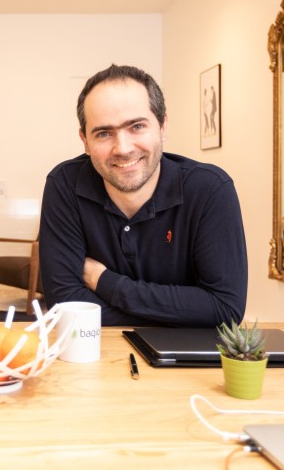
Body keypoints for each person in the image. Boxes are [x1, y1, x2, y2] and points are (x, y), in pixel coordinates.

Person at [39, 64, 247, 326]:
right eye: (104, 133)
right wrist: (178, 312)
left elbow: (224, 309)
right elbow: (65, 305)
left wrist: (103, 281)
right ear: (85, 142)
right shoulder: (64, 184)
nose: (123, 148)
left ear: (162, 126)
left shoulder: (210, 189)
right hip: (97, 354)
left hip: (187, 362)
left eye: (136, 127)